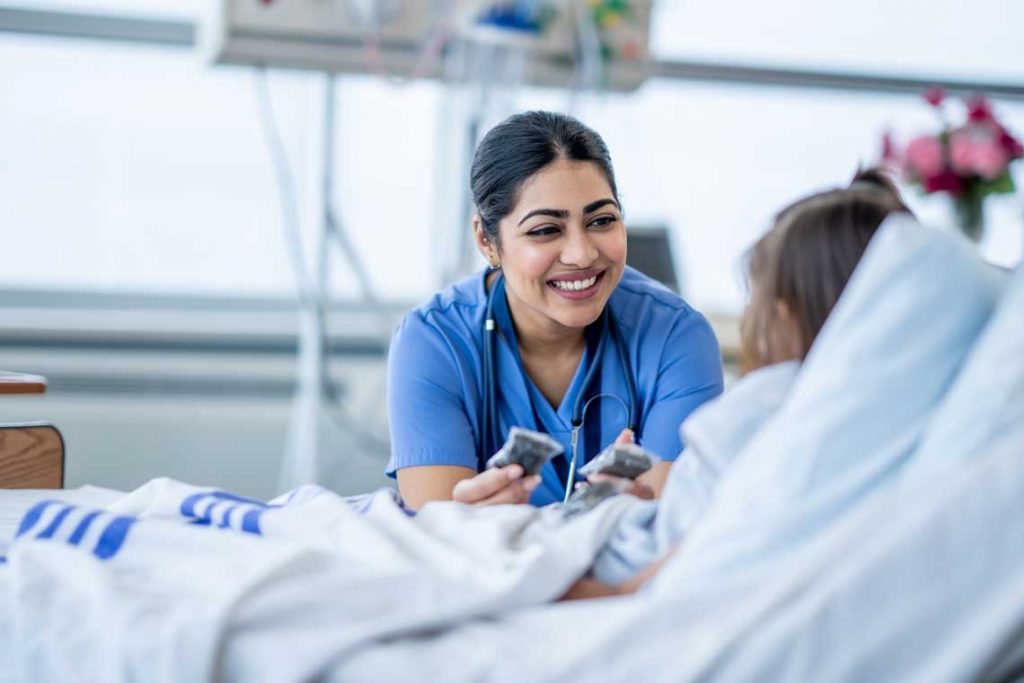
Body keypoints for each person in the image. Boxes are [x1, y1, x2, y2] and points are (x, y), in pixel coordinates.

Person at [562, 167, 913, 599]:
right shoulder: (897, 417)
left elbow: (683, 563)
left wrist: (609, 510)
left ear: (783, 314)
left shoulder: (768, 406)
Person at [386, 111, 725, 509]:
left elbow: (669, 531)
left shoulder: (677, 337)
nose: (582, 254)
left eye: (601, 220)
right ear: (486, 240)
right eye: (545, 230)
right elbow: (437, 535)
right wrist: (462, 522)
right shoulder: (434, 341)